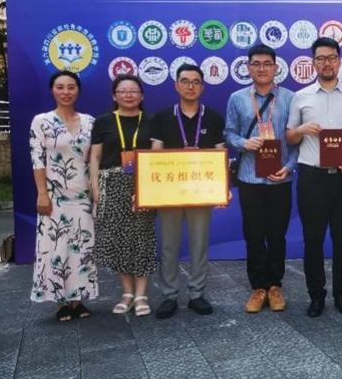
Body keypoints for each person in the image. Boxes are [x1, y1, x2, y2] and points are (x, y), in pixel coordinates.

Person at [286, 37, 342, 317]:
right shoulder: (301, 96)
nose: (326, 63)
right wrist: (302, 129)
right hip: (312, 177)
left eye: (331, 58)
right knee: (313, 238)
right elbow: (289, 136)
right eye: (320, 58)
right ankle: (316, 295)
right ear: (313, 63)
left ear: (339, 61)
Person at [225, 44, 297, 314]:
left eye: (267, 63)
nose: (262, 68)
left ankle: (275, 285)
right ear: (248, 67)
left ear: (276, 67)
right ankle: (258, 287)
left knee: (277, 235)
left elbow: (296, 140)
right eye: (256, 63)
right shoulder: (237, 98)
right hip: (250, 178)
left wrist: (289, 167)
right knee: (253, 234)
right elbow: (229, 133)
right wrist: (244, 143)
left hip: (280, 179)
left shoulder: (290, 98)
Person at [150, 64, 226, 319]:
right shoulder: (162, 117)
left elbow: (220, 154)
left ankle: (196, 294)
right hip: (170, 191)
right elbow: (155, 154)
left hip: (201, 191)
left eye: (195, 82)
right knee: (169, 245)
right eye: (185, 81)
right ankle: (169, 295)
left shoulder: (213, 117)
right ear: (176, 85)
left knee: (199, 243)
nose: (190, 86)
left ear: (202, 87)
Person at [29, 71, 97, 321]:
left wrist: (95, 192)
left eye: (71, 87)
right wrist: (42, 194)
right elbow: (37, 160)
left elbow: (94, 160)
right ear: (52, 90)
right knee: (55, 249)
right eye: (60, 87)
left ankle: (78, 300)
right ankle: (61, 302)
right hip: (54, 197)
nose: (66, 92)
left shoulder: (89, 122)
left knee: (82, 248)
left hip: (82, 196)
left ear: (78, 90)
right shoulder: (41, 121)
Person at [90, 74, 156, 316]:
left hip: (143, 184)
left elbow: (156, 156)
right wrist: (95, 188)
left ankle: (141, 294)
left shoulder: (151, 121)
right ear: (114, 96)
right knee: (117, 240)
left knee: (142, 239)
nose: (128, 95)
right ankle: (127, 292)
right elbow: (95, 157)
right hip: (112, 184)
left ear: (142, 95)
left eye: (134, 91)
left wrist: (146, 188)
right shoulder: (103, 121)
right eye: (123, 91)